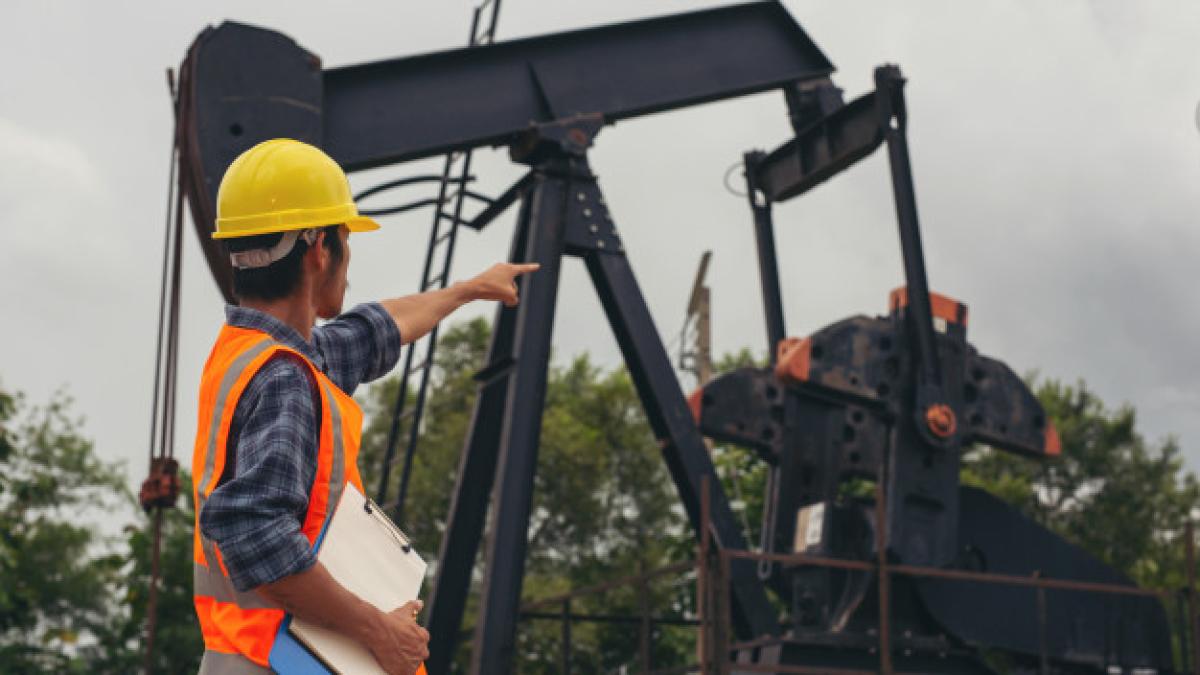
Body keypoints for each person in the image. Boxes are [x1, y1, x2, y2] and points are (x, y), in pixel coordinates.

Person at [190, 138, 539, 675]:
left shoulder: (256, 354)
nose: (348, 263)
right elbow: (256, 536)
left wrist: (468, 291)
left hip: (251, 657)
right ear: (318, 251)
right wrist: (380, 631)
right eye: (346, 239)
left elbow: (374, 329)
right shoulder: (286, 378)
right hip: (282, 663)